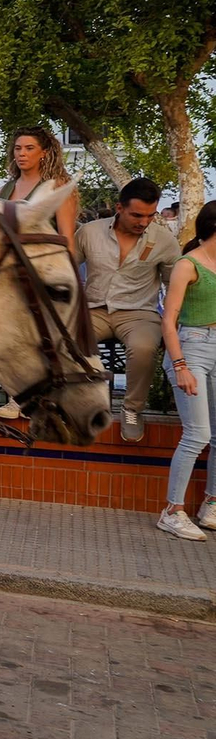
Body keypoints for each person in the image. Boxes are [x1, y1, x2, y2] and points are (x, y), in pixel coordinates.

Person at [74, 177, 177, 442]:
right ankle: (80, 403)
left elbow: (174, 284)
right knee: (69, 340)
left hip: (139, 312)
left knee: (144, 348)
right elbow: (65, 268)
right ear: (119, 208)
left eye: (150, 215)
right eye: (137, 215)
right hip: (94, 309)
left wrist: (173, 321)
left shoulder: (164, 240)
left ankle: (132, 409)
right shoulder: (89, 232)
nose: (144, 222)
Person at [158, 201, 216, 540]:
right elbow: (168, 320)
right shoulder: (188, 264)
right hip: (191, 346)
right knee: (197, 434)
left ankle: (211, 504)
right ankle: (172, 511)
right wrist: (179, 365)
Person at [0, 126, 79, 255]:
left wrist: (69, 265)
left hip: (43, 260)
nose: (22, 153)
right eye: (18, 148)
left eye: (29, 148)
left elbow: (66, 237)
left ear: (43, 153)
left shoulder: (57, 187)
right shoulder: (3, 190)